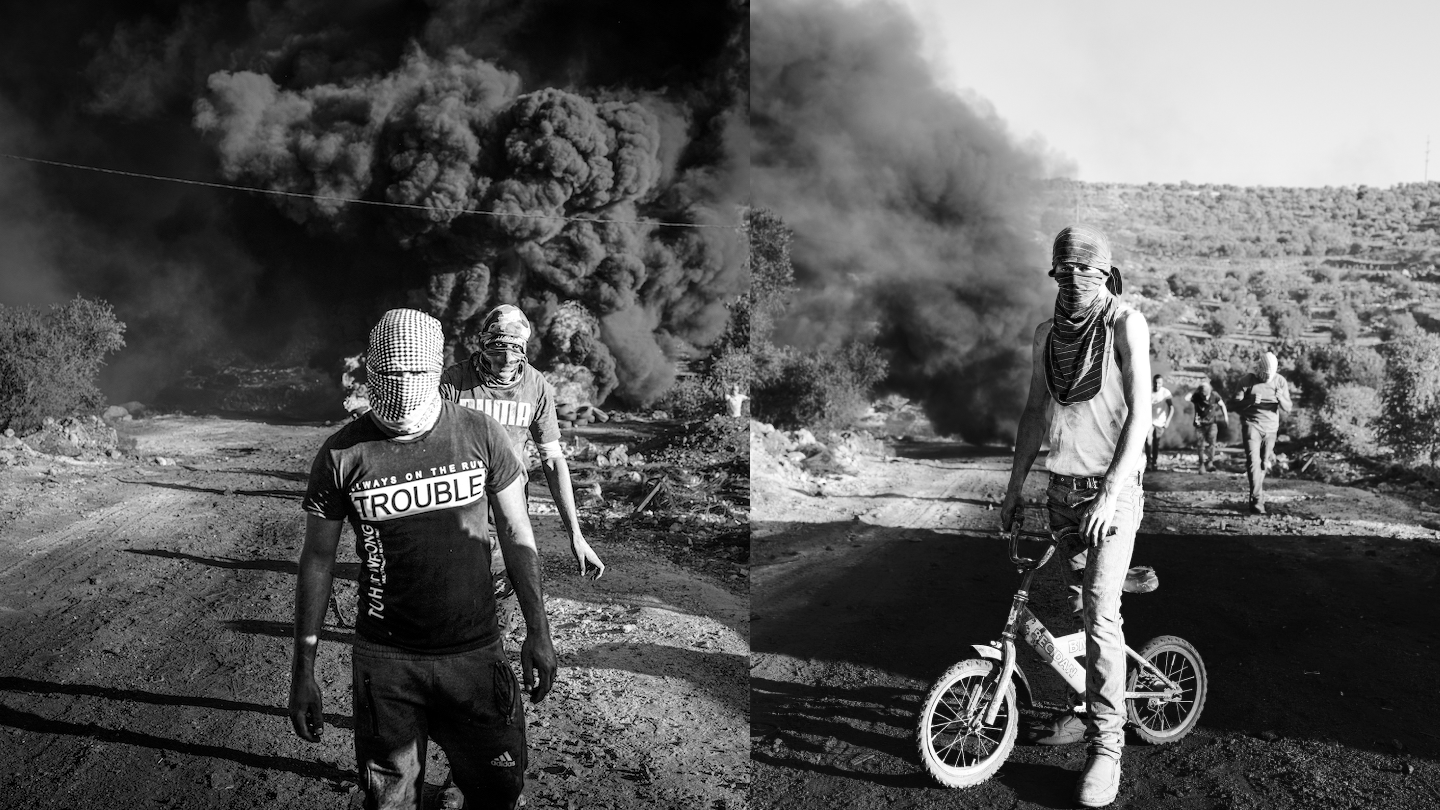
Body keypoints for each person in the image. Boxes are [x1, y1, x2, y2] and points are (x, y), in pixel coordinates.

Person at [289, 309, 556, 810]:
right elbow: (317, 561)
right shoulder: (342, 454)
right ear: (372, 373)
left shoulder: (481, 434)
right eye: (392, 374)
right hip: (385, 661)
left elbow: (518, 533)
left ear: (437, 369)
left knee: (498, 788)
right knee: (390, 800)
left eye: (417, 372)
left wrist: (539, 633)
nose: (406, 384)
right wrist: (303, 668)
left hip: (475, 653)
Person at [1000, 225, 1150, 809]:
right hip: (1061, 492)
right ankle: (1086, 708)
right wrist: (1015, 485)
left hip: (1110, 496)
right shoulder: (1046, 335)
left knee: (1101, 618)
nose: (1073, 281)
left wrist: (1112, 491)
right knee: (1079, 606)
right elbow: (1036, 411)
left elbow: (1140, 413)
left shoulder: (1124, 325)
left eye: (1084, 272)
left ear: (1106, 274)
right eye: (1063, 272)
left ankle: (1107, 747)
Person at [440, 304, 605, 591]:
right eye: (495, 356)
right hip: (456, 512)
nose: (504, 364)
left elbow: (552, 458)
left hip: (509, 513)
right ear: (482, 347)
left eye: (512, 358)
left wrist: (576, 534)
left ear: (523, 352)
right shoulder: (455, 381)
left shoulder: (535, 385)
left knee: (502, 602)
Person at [1233, 351, 1292, 514]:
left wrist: (1281, 399)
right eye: (1265, 375)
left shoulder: (1280, 381)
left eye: (1270, 376)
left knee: (1263, 462)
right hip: (1251, 425)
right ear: (1260, 369)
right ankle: (1257, 500)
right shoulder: (1247, 380)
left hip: (1271, 429)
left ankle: (1256, 493)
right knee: (1253, 462)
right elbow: (1234, 405)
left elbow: (1288, 408)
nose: (1267, 378)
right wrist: (1249, 401)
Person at [1189, 378, 1228, 473]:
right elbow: (1191, 407)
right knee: (1200, 445)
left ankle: (1210, 463)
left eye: (1206, 395)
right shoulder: (1196, 396)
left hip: (1212, 424)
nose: (1205, 398)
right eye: (1203, 395)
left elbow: (1222, 405)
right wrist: (1195, 418)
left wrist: (1226, 418)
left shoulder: (1215, 395)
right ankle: (1201, 465)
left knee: (1212, 444)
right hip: (1200, 424)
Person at [1145, 374, 1173, 470]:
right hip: (1148, 421)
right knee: (1148, 440)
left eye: (1159, 383)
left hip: (1160, 421)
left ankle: (1154, 462)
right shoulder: (1148, 391)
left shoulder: (1166, 393)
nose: (1157, 385)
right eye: (1155, 382)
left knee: (1156, 442)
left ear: (1162, 383)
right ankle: (1148, 461)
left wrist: (1168, 421)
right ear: (1153, 382)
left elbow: (1172, 408)